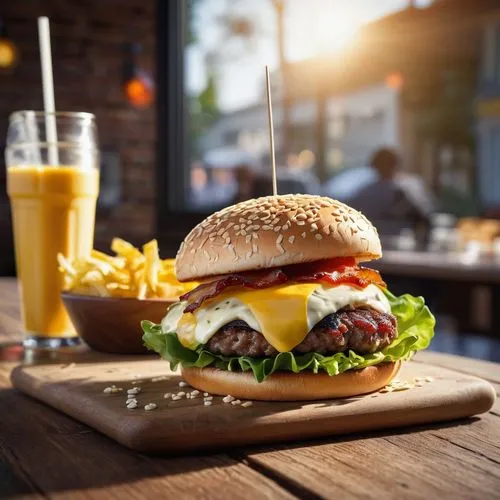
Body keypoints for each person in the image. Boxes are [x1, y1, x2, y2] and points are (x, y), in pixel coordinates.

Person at [348, 148, 436, 246]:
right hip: (385, 244)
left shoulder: (409, 187)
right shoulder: (366, 192)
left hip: (398, 243)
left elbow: (425, 216)